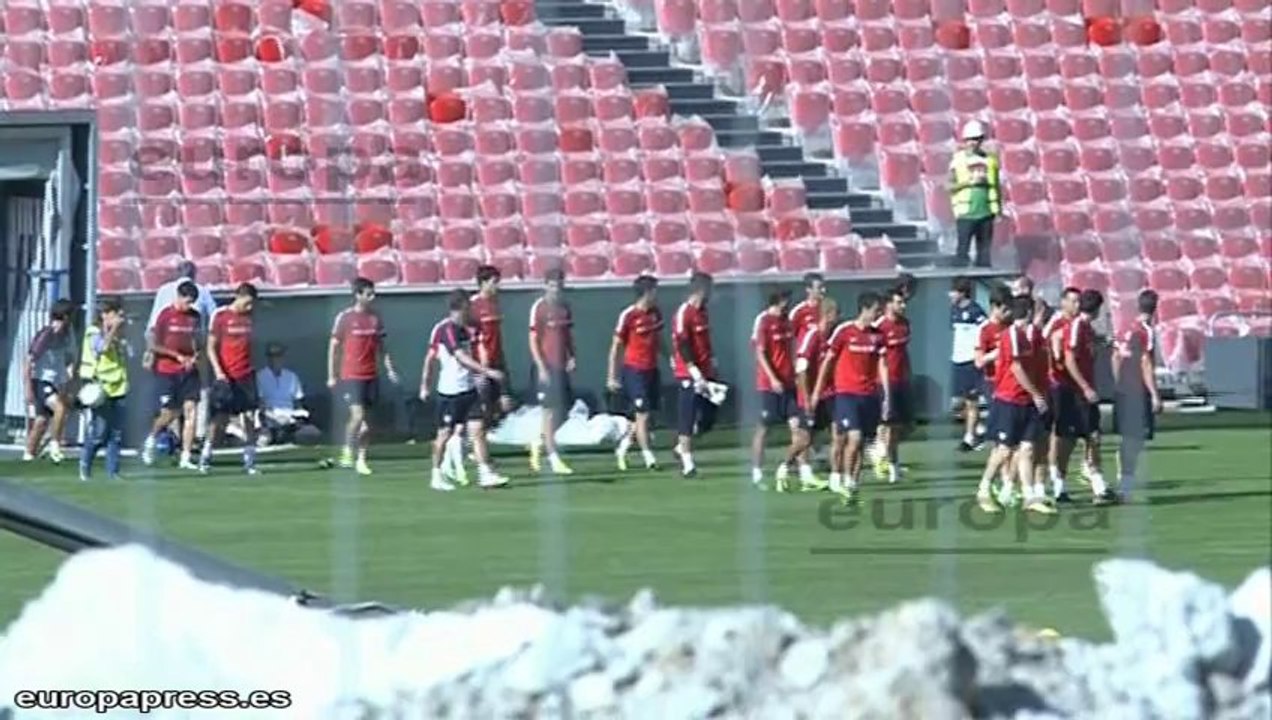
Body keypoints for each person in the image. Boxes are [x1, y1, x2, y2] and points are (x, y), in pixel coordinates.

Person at [420, 290, 509, 491]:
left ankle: (485, 474)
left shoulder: (470, 327)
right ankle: (436, 474)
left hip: (469, 389)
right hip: (451, 392)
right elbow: (460, 357)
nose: (472, 309)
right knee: (444, 434)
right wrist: (488, 371)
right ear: (460, 307)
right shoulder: (446, 329)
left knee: (478, 431)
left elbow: (479, 350)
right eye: (468, 305)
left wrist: (481, 375)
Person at [977, 295, 1056, 515]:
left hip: (1027, 400)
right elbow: (1015, 368)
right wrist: (1036, 394)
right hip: (1009, 399)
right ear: (1030, 312)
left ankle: (1030, 497)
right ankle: (983, 489)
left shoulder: (1026, 335)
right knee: (1004, 450)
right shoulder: (1012, 334)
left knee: (1028, 448)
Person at [813, 291, 887, 502]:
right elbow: (828, 361)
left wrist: (885, 393)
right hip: (846, 393)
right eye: (876, 310)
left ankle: (853, 484)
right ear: (865, 309)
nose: (878, 314)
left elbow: (882, 364)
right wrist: (818, 390)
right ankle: (844, 479)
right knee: (852, 438)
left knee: (861, 441)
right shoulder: (844, 332)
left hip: (869, 395)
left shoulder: (878, 335)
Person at [328, 277, 399, 475]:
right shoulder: (345, 317)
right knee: (357, 416)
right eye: (368, 294)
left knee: (368, 424)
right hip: (351, 375)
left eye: (373, 293)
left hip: (371, 375)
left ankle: (361, 458)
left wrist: (390, 369)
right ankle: (346, 450)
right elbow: (334, 347)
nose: (372, 297)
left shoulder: (376, 318)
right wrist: (332, 375)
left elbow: (383, 348)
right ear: (358, 295)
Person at [1049, 288, 1112, 503]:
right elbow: (1069, 359)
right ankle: (1060, 487)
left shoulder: (1087, 329)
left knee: (1092, 437)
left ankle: (1098, 487)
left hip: (1080, 392)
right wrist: (1084, 387)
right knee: (1070, 440)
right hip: (1073, 393)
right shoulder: (1076, 327)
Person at [145, 260, 216, 441]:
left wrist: (199, 352)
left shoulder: (200, 297)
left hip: (192, 357)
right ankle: (171, 436)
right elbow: (154, 327)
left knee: (193, 403)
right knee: (172, 408)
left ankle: (190, 440)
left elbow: (208, 324)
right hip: (170, 361)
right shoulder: (167, 297)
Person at [142, 281, 202, 470]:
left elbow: (198, 342)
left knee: (191, 410)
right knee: (170, 413)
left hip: (188, 372)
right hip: (167, 370)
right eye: (187, 301)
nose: (188, 306)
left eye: (192, 302)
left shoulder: (195, 317)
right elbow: (154, 345)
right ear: (178, 296)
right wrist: (176, 356)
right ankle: (151, 438)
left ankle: (186, 456)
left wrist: (195, 357)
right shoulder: (165, 316)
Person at [201, 283, 260, 475]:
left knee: (250, 417)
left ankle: (249, 460)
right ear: (239, 297)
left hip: (246, 374)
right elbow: (210, 347)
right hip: (226, 375)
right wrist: (218, 372)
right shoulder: (220, 316)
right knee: (220, 419)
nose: (250, 307)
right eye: (247, 303)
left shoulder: (249, 318)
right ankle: (206, 454)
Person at [607, 275, 664, 472]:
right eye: (654, 290)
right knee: (643, 413)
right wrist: (612, 375)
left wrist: (672, 358)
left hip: (652, 369)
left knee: (645, 417)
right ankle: (649, 457)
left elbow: (659, 339)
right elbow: (616, 347)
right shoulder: (629, 315)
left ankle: (623, 447)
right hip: (634, 370)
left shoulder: (655, 313)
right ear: (647, 293)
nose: (657, 294)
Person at [1112, 289, 1161, 501]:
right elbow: (1146, 363)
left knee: (1127, 439)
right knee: (1135, 440)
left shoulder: (1124, 328)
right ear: (1155, 309)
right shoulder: (1145, 331)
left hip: (1123, 389)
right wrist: (1155, 394)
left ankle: (1123, 482)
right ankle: (1125, 487)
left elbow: (1115, 357)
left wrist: (1119, 382)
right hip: (1138, 391)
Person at [785, 298, 838, 492]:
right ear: (828, 314)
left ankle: (836, 478)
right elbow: (801, 369)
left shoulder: (832, 337)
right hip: (809, 397)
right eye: (836, 313)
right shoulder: (812, 336)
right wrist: (807, 398)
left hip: (829, 395)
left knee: (837, 434)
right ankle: (785, 466)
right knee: (805, 439)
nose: (838, 317)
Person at [750, 287, 799, 490]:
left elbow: (792, 349)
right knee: (764, 429)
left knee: (798, 428)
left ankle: (797, 469)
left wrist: (795, 373)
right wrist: (772, 378)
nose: (788, 304)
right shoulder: (764, 321)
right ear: (777, 300)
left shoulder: (787, 322)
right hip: (769, 386)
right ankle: (757, 472)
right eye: (785, 300)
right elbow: (760, 354)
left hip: (789, 384)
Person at [528, 267, 575, 475]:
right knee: (549, 411)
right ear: (546, 285)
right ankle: (553, 456)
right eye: (553, 285)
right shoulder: (539, 308)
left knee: (565, 410)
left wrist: (572, 355)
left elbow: (568, 336)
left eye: (559, 285)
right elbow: (533, 340)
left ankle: (539, 442)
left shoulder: (565, 308)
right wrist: (541, 367)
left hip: (561, 365)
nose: (556, 289)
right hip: (546, 366)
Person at [78, 297, 130, 482]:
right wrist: (114, 329)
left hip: (118, 387)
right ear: (105, 315)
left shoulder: (116, 335)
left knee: (115, 434)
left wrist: (120, 335)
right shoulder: (94, 332)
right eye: (116, 315)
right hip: (101, 388)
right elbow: (101, 348)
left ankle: (113, 472)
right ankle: (85, 466)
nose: (119, 319)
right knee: (99, 432)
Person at [672, 271, 717, 478]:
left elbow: (705, 340)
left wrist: (713, 363)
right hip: (689, 374)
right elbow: (682, 343)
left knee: (708, 416)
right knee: (687, 416)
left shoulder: (704, 312)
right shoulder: (684, 313)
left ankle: (681, 448)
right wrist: (692, 369)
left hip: (706, 371)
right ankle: (688, 463)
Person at [23, 299, 76, 463]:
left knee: (41, 421)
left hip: (57, 382)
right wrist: (28, 388)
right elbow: (29, 360)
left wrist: (69, 376)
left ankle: (29, 455)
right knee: (60, 408)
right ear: (65, 316)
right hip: (41, 380)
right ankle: (55, 446)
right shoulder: (47, 334)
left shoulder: (69, 334)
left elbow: (70, 358)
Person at [949, 119, 1000, 268]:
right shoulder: (958, 160)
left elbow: (996, 187)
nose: (974, 143)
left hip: (986, 213)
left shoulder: (991, 161)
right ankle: (960, 285)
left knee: (984, 254)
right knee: (962, 251)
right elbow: (948, 185)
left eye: (977, 139)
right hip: (966, 213)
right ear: (965, 141)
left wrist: (998, 211)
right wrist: (968, 183)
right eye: (971, 139)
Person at [874, 286, 912, 484]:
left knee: (899, 428)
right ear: (888, 304)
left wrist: (908, 375)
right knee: (886, 424)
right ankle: (885, 461)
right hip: (883, 382)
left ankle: (889, 461)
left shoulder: (905, 324)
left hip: (901, 381)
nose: (903, 306)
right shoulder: (879, 327)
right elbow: (878, 360)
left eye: (903, 302)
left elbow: (903, 353)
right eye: (899, 302)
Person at [950, 276, 988, 451]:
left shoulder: (976, 311)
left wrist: (979, 354)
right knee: (958, 403)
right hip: (957, 360)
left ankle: (969, 437)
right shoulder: (954, 310)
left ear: (962, 293)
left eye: (953, 291)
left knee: (971, 401)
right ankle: (979, 426)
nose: (950, 295)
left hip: (970, 361)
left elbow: (984, 330)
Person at [255, 343, 316, 444]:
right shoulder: (260, 376)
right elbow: (260, 403)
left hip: (290, 416)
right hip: (271, 416)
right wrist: (271, 417)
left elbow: (298, 401)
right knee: (264, 441)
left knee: (312, 433)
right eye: (272, 356)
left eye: (278, 356)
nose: (275, 359)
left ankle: (289, 435)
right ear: (268, 358)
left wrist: (298, 416)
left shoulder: (292, 376)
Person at [788, 272, 826, 338]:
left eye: (823, 287)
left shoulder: (828, 308)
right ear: (808, 289)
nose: (823, 290)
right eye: (819, 287)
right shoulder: (798, 312)